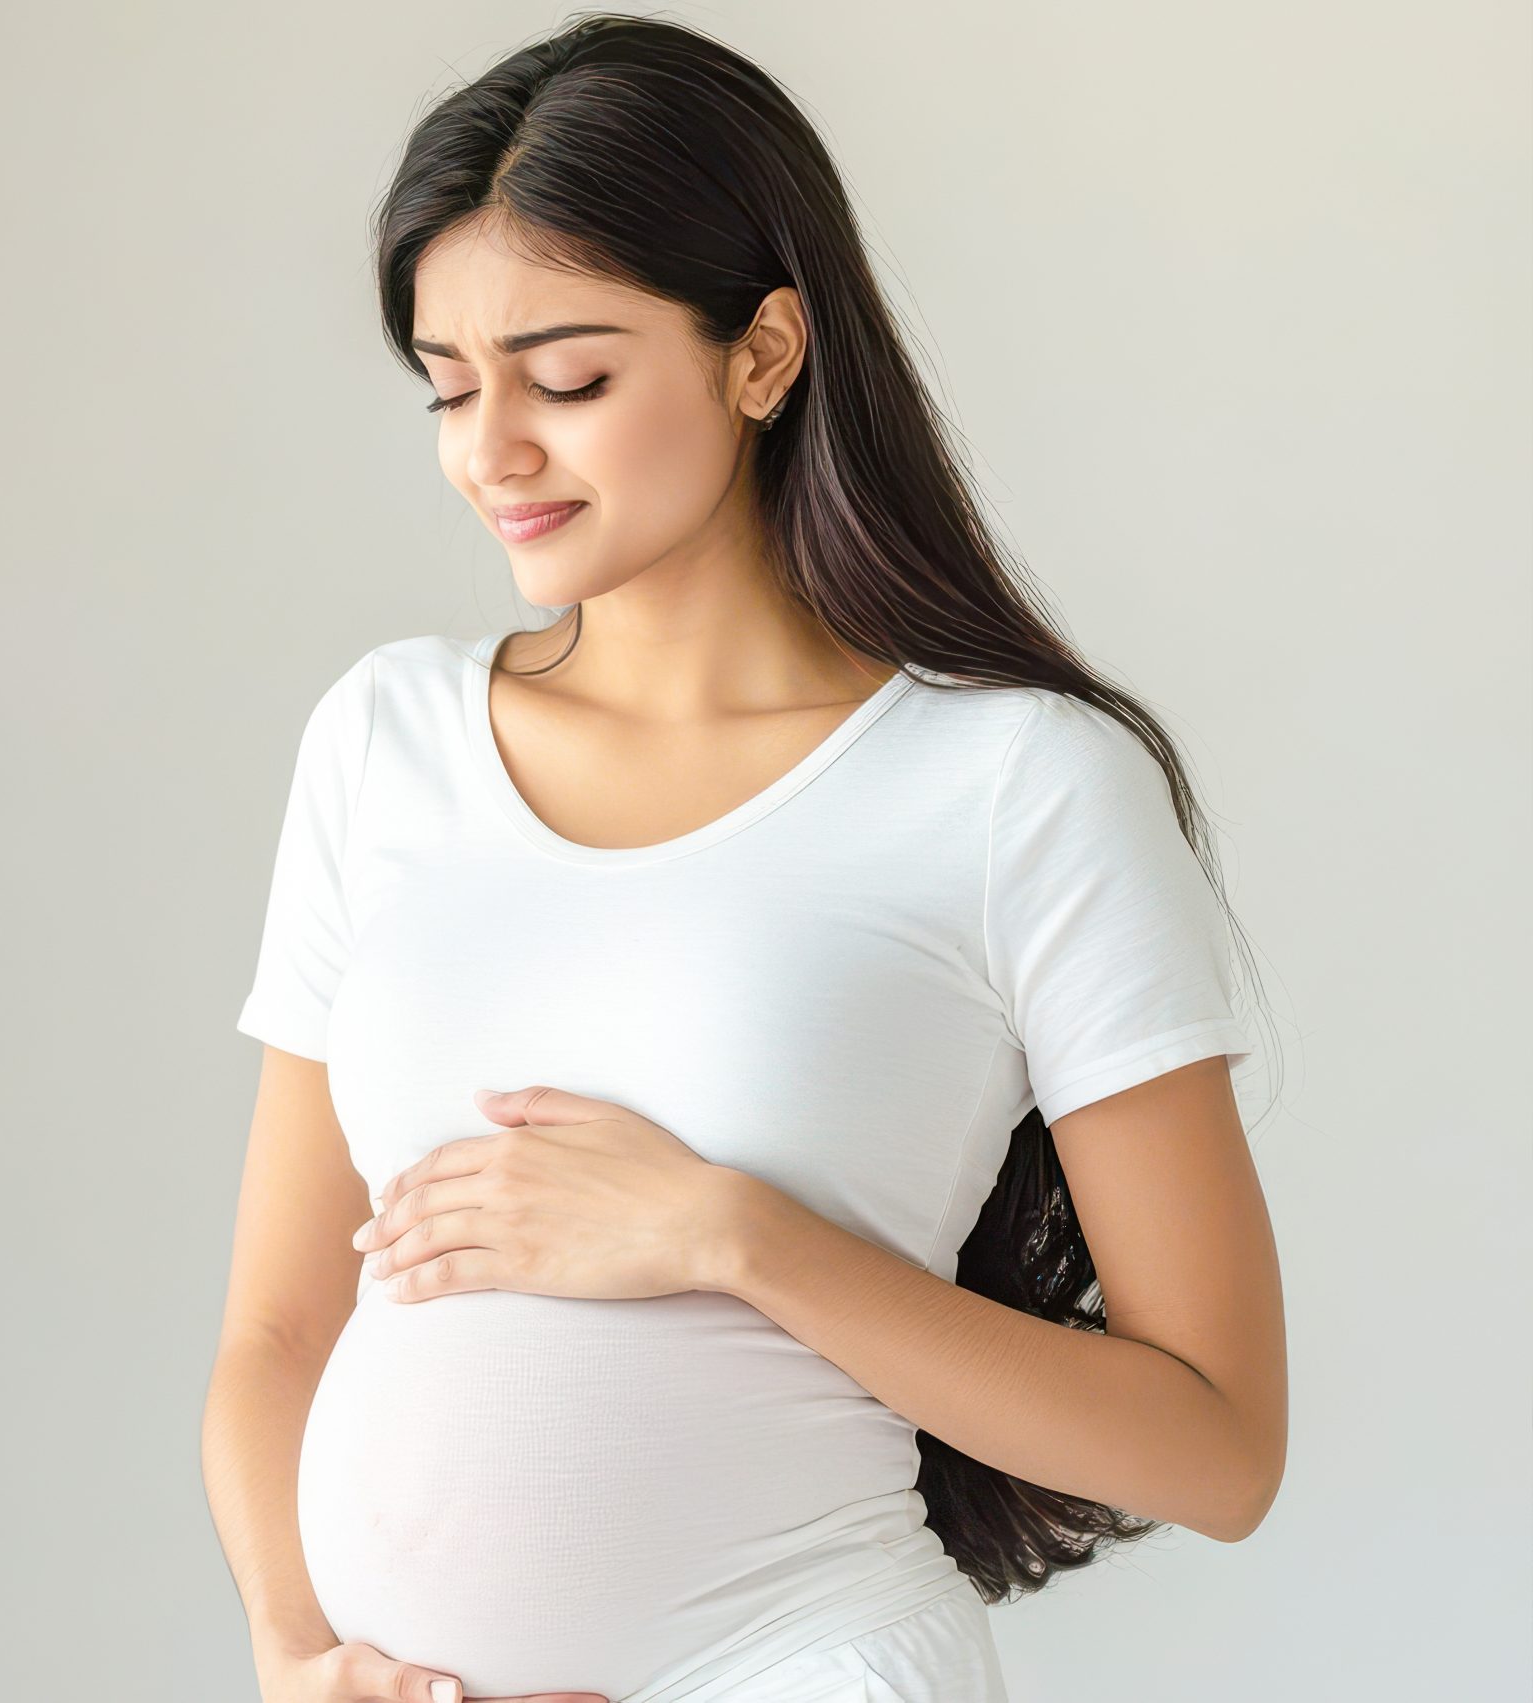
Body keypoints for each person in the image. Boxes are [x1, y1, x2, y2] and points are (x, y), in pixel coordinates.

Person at [199, 14, 1288, 1703]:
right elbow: (275, 1335)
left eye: (567, 379)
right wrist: (297, 1656)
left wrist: (730, 1236)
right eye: (448, 384)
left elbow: (1218, 1450)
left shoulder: (1015, 789)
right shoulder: (382, 742)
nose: (491, 450)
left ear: (763, 353)